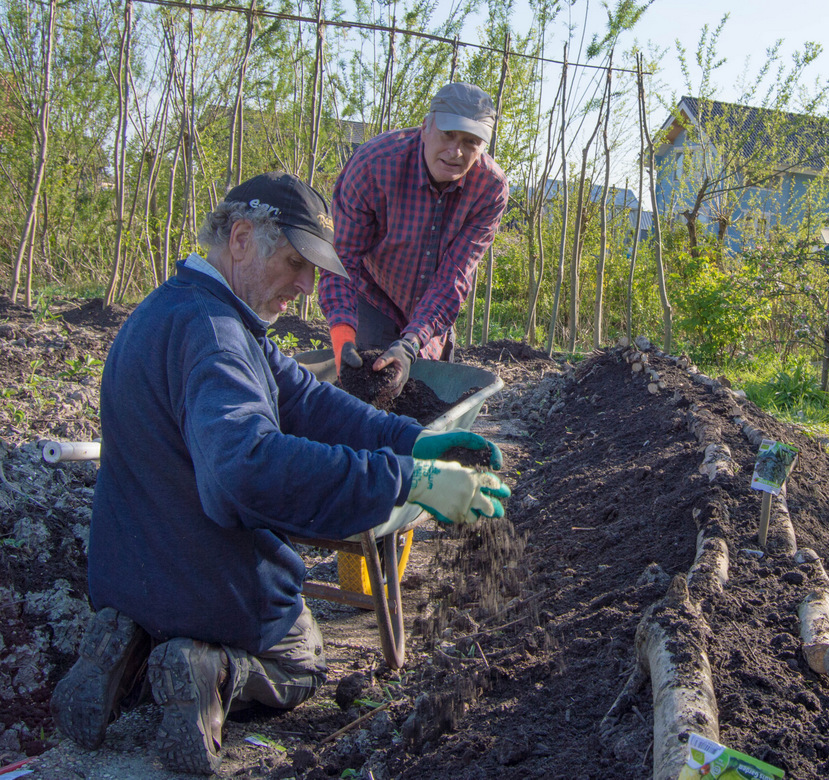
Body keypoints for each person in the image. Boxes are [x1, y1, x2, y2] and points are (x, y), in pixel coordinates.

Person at [49, 171, 509, 775]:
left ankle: (132, 648)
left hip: (125, 571)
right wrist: (410, 482)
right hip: (208, 583)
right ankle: (211, 671)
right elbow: (248, 467)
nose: (305, 285)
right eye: (295, 262)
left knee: (168, 606)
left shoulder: (181, 309)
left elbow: (308, 401)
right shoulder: (215, 337)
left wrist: (415, 441)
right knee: (303, 659)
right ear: (240, 237)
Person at [318, 82, 509, 396]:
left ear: (483, 147)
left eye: (470, 142)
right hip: (373, 294)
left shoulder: (489, 189)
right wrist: (342, 332)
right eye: (448, 134)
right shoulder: (374, 165)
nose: (456, 152)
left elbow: (454, 276)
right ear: (425, 127)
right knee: (369, 388)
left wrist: (411, 343)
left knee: (423, 392)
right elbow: (342, 259)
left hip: (432, 303)